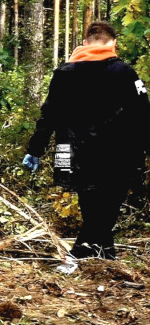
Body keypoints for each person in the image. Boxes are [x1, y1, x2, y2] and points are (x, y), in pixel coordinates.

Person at [23, 21, 150, 273]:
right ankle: (80, 252)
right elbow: (143, 113)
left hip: (71, 152)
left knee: (90, 201)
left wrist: (35, 149)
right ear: (113, 43)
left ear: (84, 43)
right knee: (109, 202)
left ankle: (104, 252)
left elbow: (49, 114)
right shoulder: (124, 72)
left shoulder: (64, 73)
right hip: (117, 152)